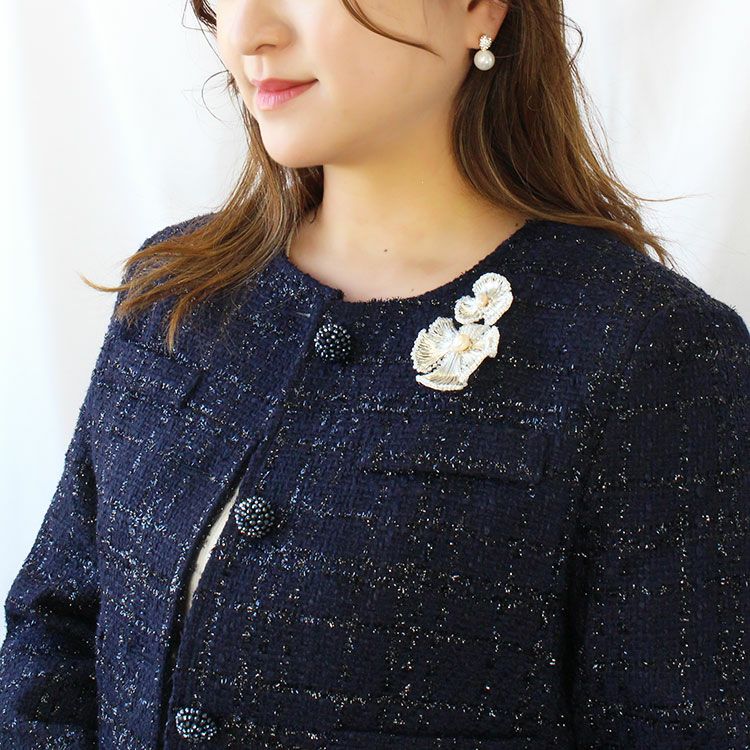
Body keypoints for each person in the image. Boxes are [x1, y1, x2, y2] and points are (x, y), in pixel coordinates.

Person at [1, 1, 748, 747]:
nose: (247, 32)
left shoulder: (650, 352)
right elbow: (53, 633)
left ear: (480, 9)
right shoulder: (176, 294)